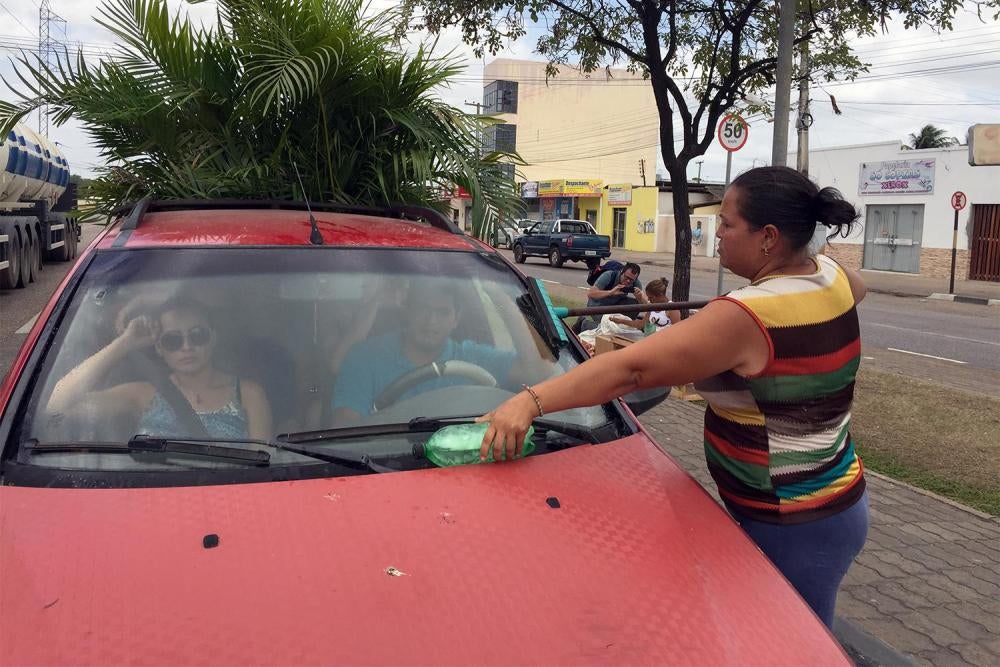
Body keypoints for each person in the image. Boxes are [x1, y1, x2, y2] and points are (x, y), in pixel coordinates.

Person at [479, 166, 869, 629]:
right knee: (802, 629)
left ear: (768, 237)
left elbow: (633, 369)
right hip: (838, 498)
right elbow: (853, 292)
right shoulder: (830, 275)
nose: (717, 235)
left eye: (726, 224)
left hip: (793, 519)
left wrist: (530, 401)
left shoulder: (748, 314)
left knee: (791, 640)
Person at [47, 297, 273, 440]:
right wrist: (125, 343)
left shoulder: (248, 393)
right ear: (159, 348)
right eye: (173, 340)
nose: (187, 347)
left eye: (197, 335)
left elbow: (264, 468)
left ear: (213, 338)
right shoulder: (144, 394)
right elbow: (57, 406)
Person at [330, 279, 548, 423]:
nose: (431, 321)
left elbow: (535, 373)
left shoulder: (473, 357)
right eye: (423, 308)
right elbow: (344, 428)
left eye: (442, 312)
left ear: (456, 319)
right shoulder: (366, 358)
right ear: (407, 310)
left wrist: (497, 292)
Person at [576, 262, 643, 332]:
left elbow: (645, 304)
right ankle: (583, 323)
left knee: (634, 304)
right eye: (626, 277)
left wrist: (640, 297)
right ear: (621, 272)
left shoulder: (635, 283)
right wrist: (610, 292)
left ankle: (621, 326)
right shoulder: (609, 275)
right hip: (597, 305)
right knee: (608, 327)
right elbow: (591, 293)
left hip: (614, 306)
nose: (628, 281)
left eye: (631, 279)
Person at [610, 277, 680, 334]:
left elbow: (677, 331)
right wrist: (621, 321)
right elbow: (641, 325)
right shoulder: (652, 307)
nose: (649, 300)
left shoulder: (672, 309)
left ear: (660, 295)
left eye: (651, 298)